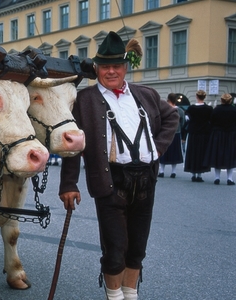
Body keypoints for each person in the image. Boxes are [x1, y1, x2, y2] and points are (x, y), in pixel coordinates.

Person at [58, 31, 178, 300]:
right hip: (110, 180)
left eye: (116, 66)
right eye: (105, 67)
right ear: (97, 69)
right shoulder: (84, 100)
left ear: (125, 68)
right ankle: (114, 297)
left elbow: (172, 117)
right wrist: (68, 184)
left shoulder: (145, 94)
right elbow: (73, 144)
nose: (111, 71)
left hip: (146, 180)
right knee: (115, 249)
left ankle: (131, 294)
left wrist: (157, 148)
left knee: (137, 249)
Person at [203, 93, 236, 185]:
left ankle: (217, 178)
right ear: (230, 100)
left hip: (218, 134)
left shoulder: (216, 110)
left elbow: (211, 121)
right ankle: (229, 178)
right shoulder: (234, 110)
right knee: (230, 156)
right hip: (231, 134)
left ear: (221, 100)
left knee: (217, 155)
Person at [183, 90, 213, 182]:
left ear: (196, 96)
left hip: (193, 133)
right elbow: (211, 121)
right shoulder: (209, 109)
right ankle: (199, 175)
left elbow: (187, 119)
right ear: (204, 97)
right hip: (204, 134)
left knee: (192, 152)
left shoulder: (191, 108)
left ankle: (193, 174)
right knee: (201, 153)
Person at [158, 93, 185, 178]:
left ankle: (161, 171)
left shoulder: (164, 109)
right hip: (176, 133)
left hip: (165, 133)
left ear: (168, 99)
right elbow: (183, 122)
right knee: (175, 153)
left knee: (164, 152)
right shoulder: (180, 111)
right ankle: (173, 172)